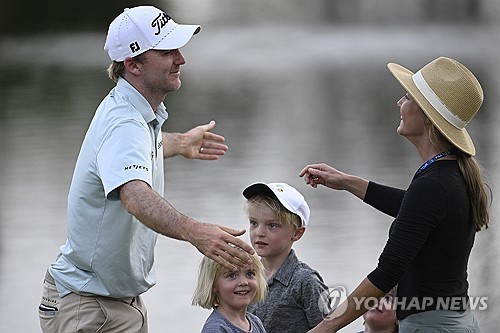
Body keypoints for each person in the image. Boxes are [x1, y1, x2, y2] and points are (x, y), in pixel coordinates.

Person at [38, 6, 254, 333]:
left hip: (111, 302)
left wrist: (179, 143)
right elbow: (134, 195)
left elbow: (131, 151)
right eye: (167, 52)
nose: (181, 59)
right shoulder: (126, 122)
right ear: (133, 64)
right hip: (90, 306)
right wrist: (193, 231)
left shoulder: (136, 115)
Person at [300, 57, 490, 332]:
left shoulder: (433, 184)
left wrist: (325, 327)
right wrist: (345, 182)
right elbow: (413, 209)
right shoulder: (449, 174)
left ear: (426, 114)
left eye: (407, 97)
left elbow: (386, 273)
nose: (399, 104)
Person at [243, 182, 331, 332]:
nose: (259, 232)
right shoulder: (245, 274)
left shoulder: (305, 281)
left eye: (272, 225)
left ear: (297, 233)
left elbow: (328, 327)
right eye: (254, 223)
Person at [192, 253, 268, 333]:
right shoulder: (215, 329)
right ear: (213, 284)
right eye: (232, 275)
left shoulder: (255, 322)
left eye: (249, 274)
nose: (244, 282)